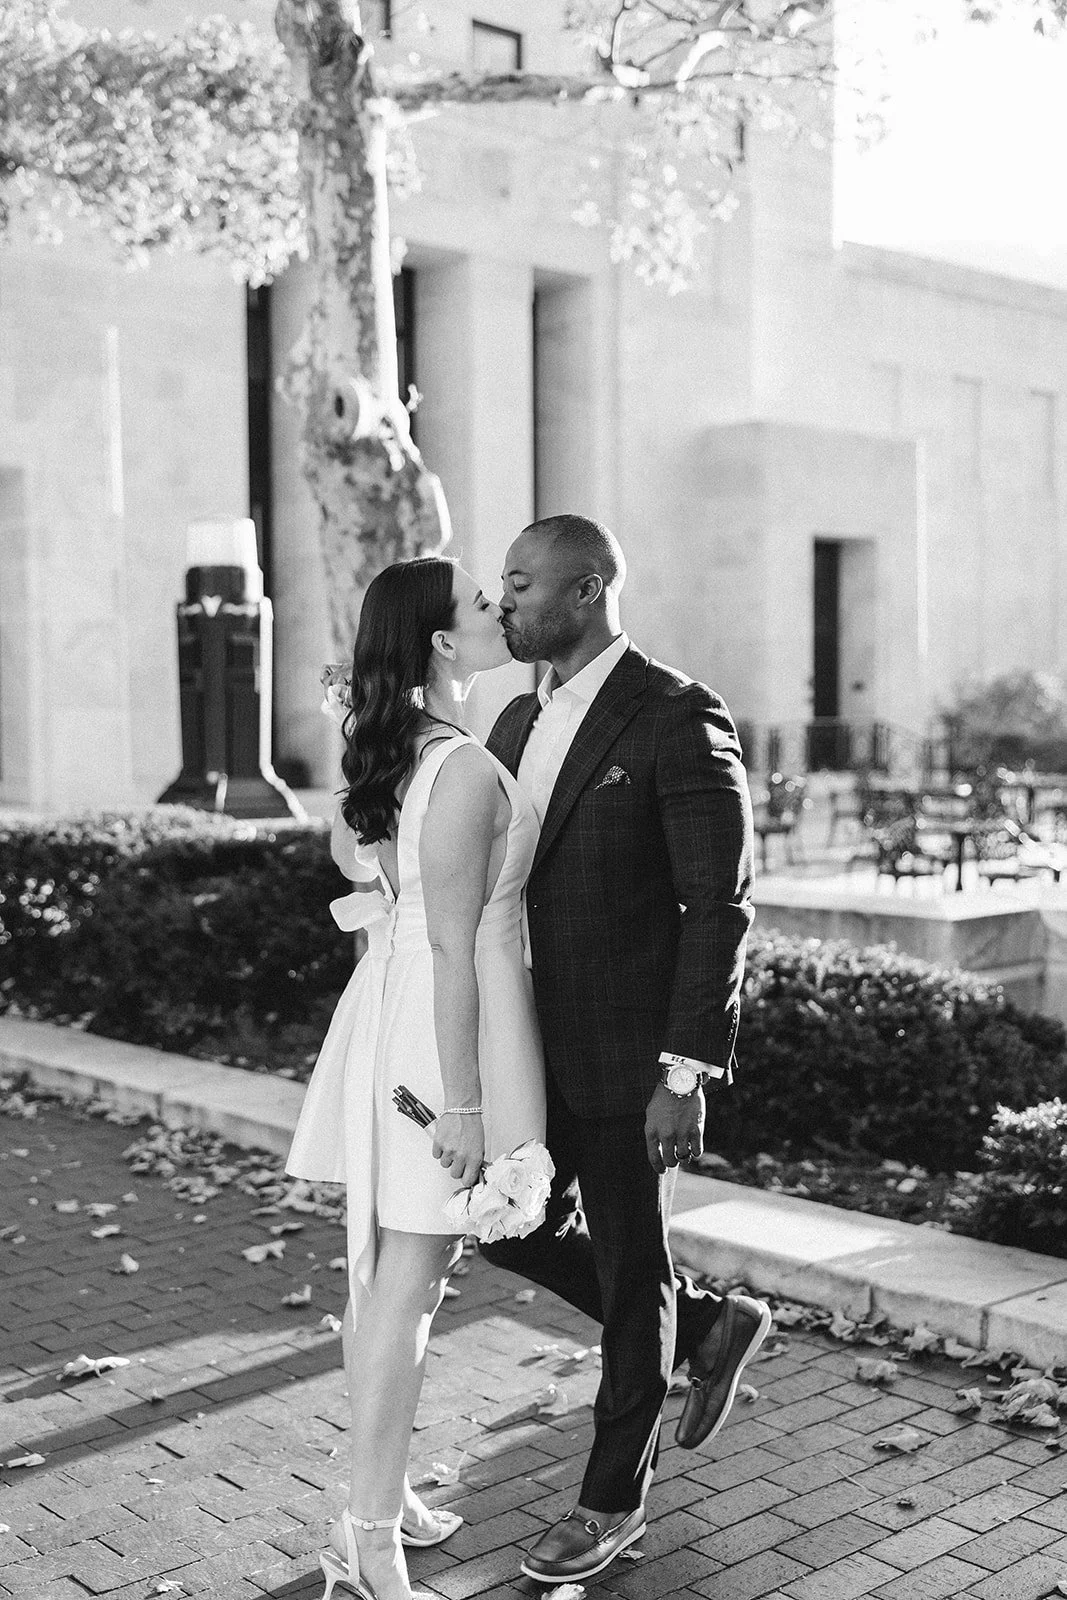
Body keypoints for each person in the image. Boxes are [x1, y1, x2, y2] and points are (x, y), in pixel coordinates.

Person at [481, 513, 767, 1587]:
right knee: (504, 1228)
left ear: (587, 588)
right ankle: (707, 1327)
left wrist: (683, 1071)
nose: (503, 600)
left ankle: (610, 1502)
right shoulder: (513, 718)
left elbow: (718, 905)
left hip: (629, 1054)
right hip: (526, 1046)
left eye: (521, 582)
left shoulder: (675, 713)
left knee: (628, 1268)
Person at [286, 557, 546, 1600]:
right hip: (439, 1031)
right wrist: (467, 1102)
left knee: (384, 1273)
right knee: (409, 1282)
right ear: (442, 641)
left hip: (396, 1012)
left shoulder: (402, 752)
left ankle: (382, 1495)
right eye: (481, 603)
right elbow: (450, 944)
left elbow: (365, 883)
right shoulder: (461, 769)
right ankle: (367, 1532)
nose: (499, 608)